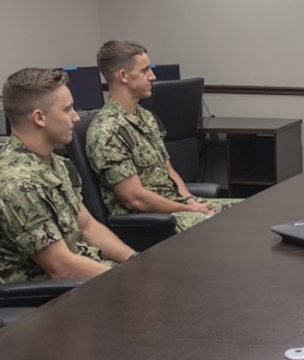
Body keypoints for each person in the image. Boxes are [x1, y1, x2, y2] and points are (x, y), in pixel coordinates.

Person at [0, 67, 136, 283]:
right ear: (39, 118)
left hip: (91, 276)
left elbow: (87, 226)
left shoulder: (54, 163)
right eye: (67, 110)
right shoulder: (15, 183)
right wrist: (129, 279)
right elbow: (62, 268)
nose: (76, 117)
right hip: (55, 297)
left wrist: (134, 262)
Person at [85, 40, 240, 232]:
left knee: (251, 212)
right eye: (145, 70)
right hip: (151, 220)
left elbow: (168, 169)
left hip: (178, 206)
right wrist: (188, 209)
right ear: (123, 76)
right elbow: (135, 199)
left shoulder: (145, 117)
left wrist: (190, 200)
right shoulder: (107, 130)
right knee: (231, 229)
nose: (153, 76)